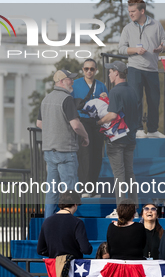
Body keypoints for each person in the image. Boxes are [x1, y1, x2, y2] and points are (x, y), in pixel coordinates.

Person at [37, 69, 89, 218]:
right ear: (61, 82)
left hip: (49, 150)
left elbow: (39, 123)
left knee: (52, 190)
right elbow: (76, 126)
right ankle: (68, 221)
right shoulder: (67, 99)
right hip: (66, 150)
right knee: (69, 189)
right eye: (69, 79)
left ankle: (48, 222)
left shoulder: (45, 99)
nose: (72, 82)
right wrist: (86, 137)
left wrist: (53, 129)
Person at [118, 0, 165, 139]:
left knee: (154, 100)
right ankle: (138, 129)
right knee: (137, 99)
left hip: (152, 69)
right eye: (129, 11)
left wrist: (162, 47)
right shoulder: (128, 28)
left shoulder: (156, 25)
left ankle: (153, 130)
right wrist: (135, 50)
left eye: (133, 11)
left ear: (142, 11)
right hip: (135, 68)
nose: (130, 14)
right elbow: (121, 49)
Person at [97, 61, 140, 205]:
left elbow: (113, 115)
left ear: (116, 73)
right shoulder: (132, 90)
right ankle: (133, 208)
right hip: (130, 138)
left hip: (117, 140)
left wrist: (99, 122)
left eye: (110, 71)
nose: (109, 74)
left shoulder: (116, 91)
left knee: (119, 175)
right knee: (129, 174)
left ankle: (122, 210)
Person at [71, 58, 108, 197]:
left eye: (92, 69)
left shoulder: (101, 86)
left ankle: (93, 188)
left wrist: (104, 98)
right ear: (82, 70)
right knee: (85, 154)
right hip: (82, 121)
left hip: (97, 122)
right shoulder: (76, 84)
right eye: (86, 69)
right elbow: (70, 104)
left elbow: (107, 106)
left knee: (96, 155)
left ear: (96, 70)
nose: (89, 71)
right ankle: (85, 188)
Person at [37, 192, 93, 259]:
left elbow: (40, 250)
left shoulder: (47, 221)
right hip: (73, 265)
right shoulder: (77, 222)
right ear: (75, 204)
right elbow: (86, 249)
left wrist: (56, 255)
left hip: (55, 265)